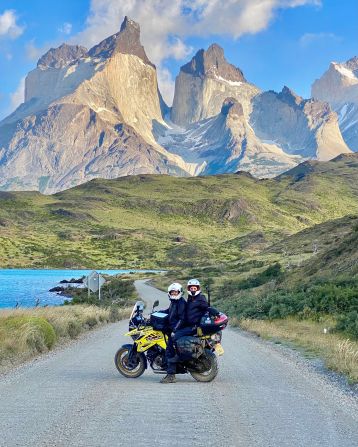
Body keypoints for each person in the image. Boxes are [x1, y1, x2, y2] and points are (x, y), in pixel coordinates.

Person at [160, 282, 186, 384]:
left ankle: (171, 376)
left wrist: (174, 330)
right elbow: (169, 311)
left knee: (170, 350)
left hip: (177, 329)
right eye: (172, 292)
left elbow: (182, 318)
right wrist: (158, 313)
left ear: (179, 292)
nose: (174, 293)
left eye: (176, 292)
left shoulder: (180, 303)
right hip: (173, 328)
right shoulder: (174, 302)